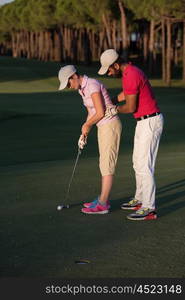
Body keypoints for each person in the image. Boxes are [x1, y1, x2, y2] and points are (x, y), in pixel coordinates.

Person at [98, 49, 164, 221]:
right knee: (137, 162)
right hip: (143, 122)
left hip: (150, 121)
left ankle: (149, 207)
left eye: (110, 70)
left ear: (117, 64)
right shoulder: (129, 73)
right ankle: (140, 198)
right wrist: (111, 100)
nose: (110, 73)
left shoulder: (131, 74)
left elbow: (131, 107)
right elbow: (126, 94)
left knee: (144, 166)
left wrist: (114, 109)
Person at [58, 65, 122, 214]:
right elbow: (91, 113)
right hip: (103, 126)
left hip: (110, 124)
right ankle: (101, 198)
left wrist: (87, 125)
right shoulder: (82, 89)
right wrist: (84, 133)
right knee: (103, 163)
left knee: (107, 164)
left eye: (68, 83)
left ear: (73, 76)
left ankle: (103, 204)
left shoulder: (91, 85)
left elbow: (100, 112)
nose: (69, 87)